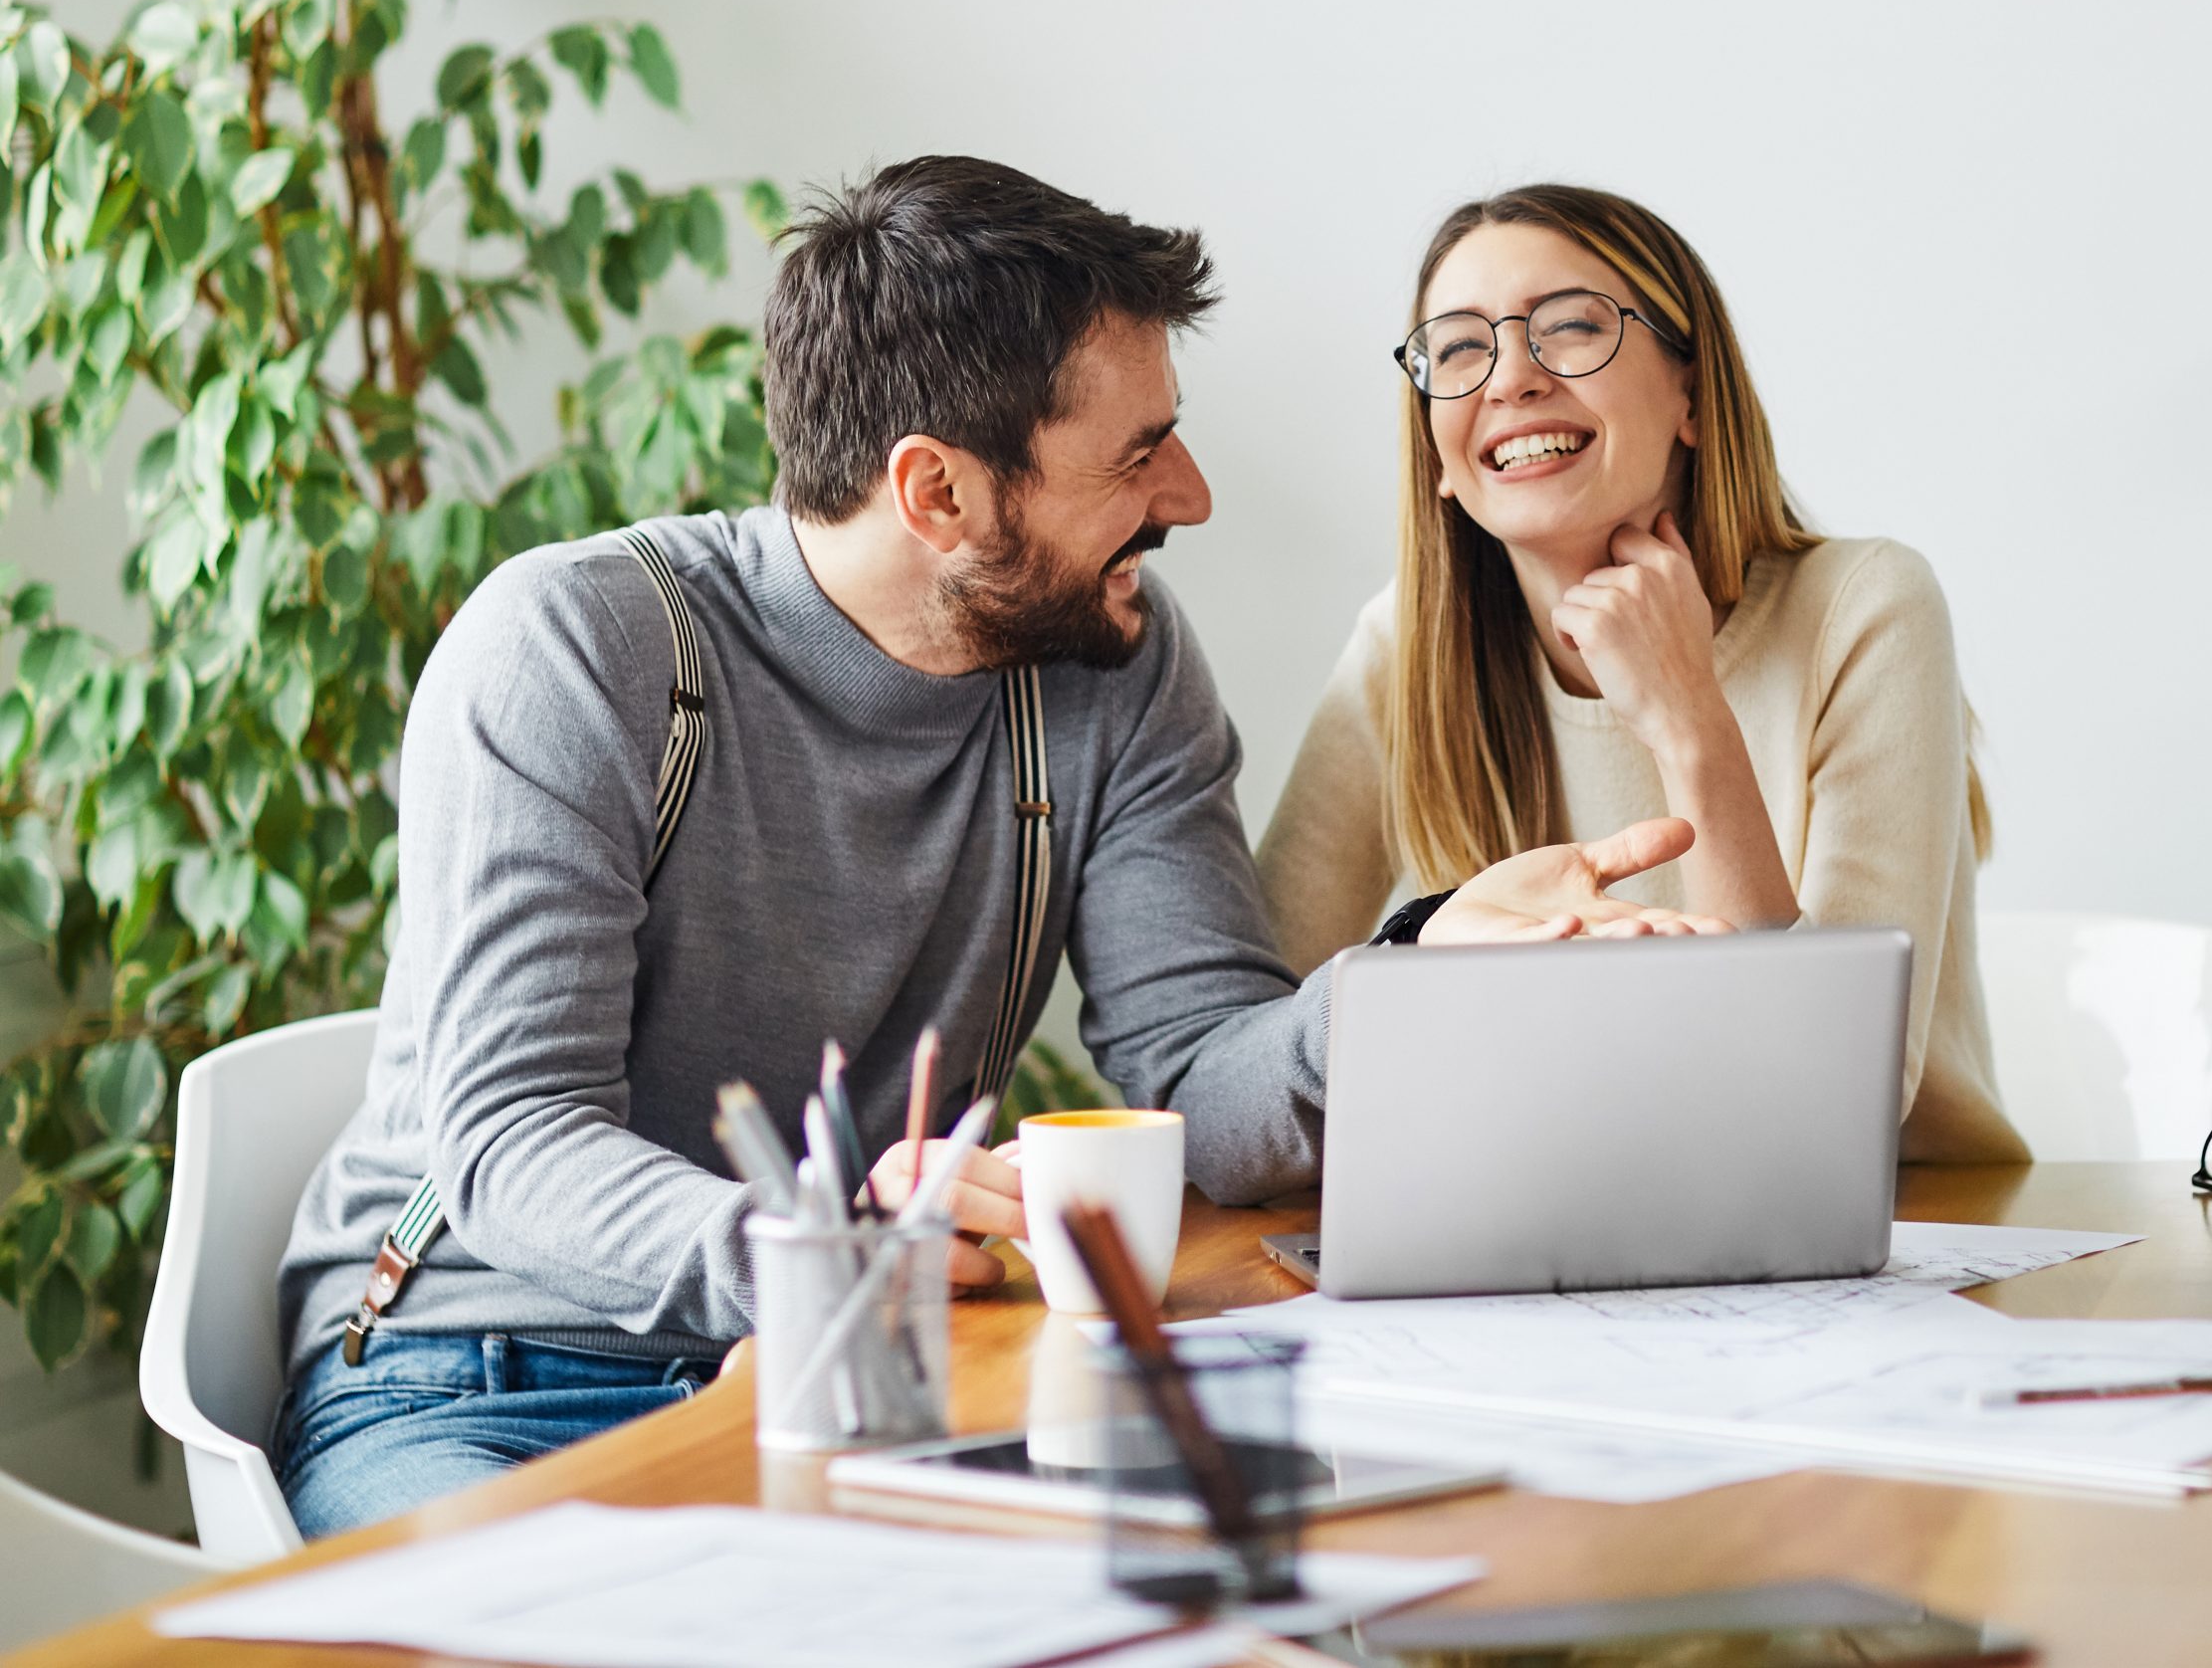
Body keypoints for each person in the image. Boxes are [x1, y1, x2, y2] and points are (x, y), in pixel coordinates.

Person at [271, 157, 1708, 1537]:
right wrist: (822, 1254)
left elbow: (1201, 1076)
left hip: (889, 1372)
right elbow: (513, 1140)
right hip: (484, 1374)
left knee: (1235, 1594)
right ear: (938, 492)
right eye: (1138, 452)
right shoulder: (582, 646)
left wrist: (1416, 979)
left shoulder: (1112, 663)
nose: (1190, 492)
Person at [1257, 183, 2026, 1163]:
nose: (1511, 378)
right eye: (1457, 348)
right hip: (1549, 1230)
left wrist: (1688, 719)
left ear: (1690, 395)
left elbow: (1830, 1099)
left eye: (1570, 327)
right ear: (1437, 453)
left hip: (1894, 1242)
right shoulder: (1402, 646)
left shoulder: (1863, 606)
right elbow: (1249, 1036)